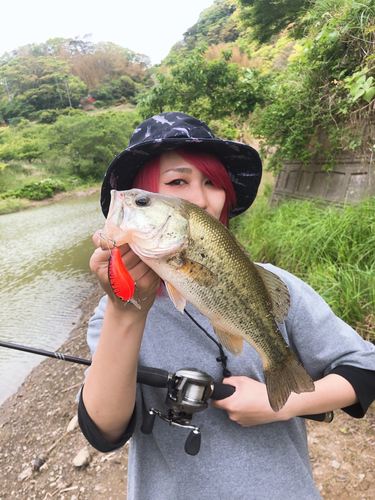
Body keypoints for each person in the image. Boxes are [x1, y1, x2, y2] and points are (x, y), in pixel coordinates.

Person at [78, 112, 375, 500]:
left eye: (213, 183)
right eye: (177, 181)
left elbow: (366, 368)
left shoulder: (276, 283)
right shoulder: (111, 315)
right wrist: (126, 311)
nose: (202, 198)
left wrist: (282, 405)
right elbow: (105, 430)